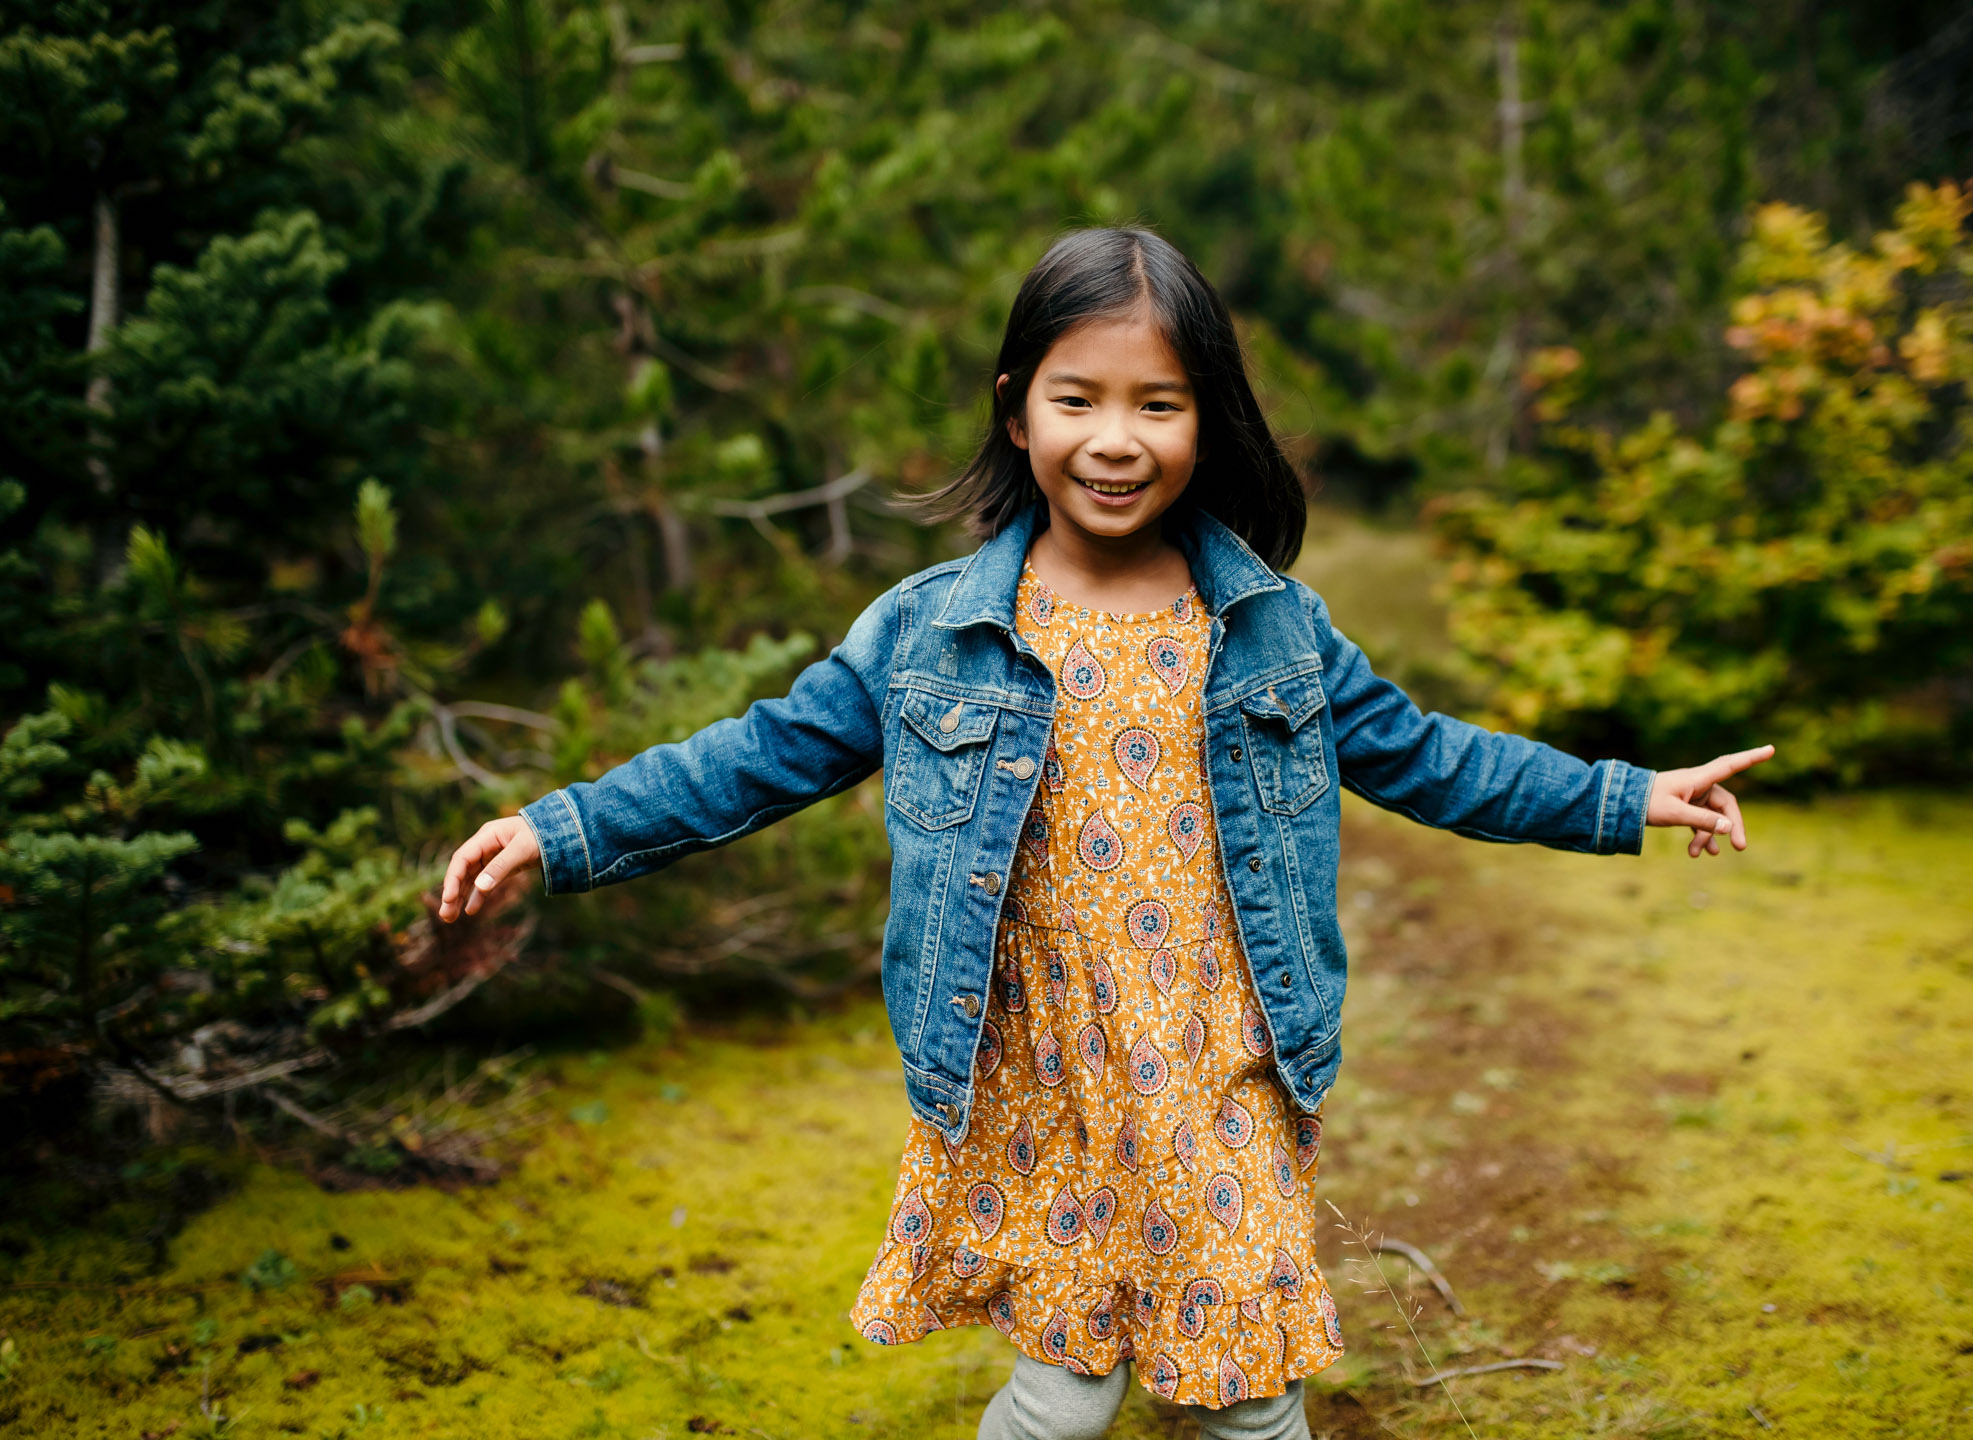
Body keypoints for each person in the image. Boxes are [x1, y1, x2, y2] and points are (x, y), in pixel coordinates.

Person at [435, 228, 1773, 1440]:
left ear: (1208, 422)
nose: (1115, 439)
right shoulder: (931, 635)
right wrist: (563, 829)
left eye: (1157, 404)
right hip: (1042, 1083)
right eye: (1078, 400)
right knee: (1065, 1399)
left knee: (1251, 1389)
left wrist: (1625, 795)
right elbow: (760, 757)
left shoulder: (1268, 628)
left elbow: (1429, 759)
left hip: (1221, 1070)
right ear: (1017, 411)